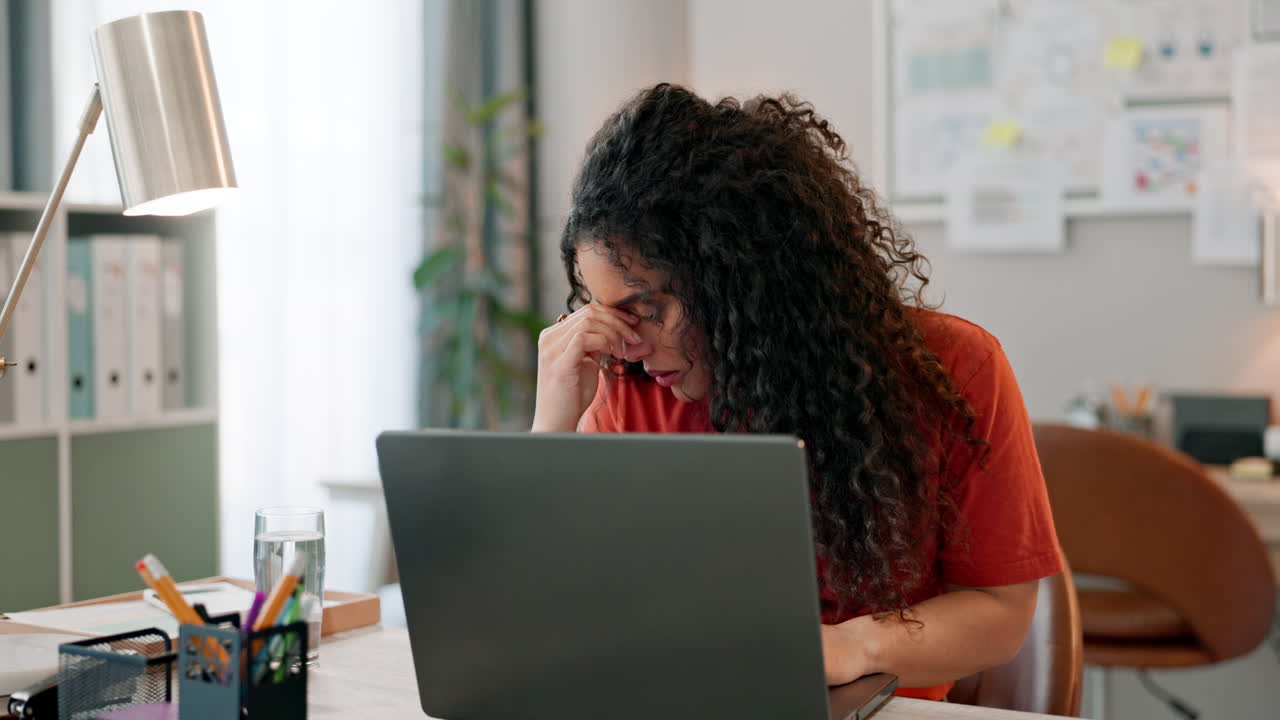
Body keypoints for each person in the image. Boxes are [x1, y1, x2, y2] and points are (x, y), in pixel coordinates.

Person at [531, 83, 1062, 702]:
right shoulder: (629, 387)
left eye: (647, 310)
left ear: (738, 279)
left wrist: (853, 647)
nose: (628, 346)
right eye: (609, 315)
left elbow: (1000, 612)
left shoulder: (953, 370)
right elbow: (555, 607)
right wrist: (551, 428)